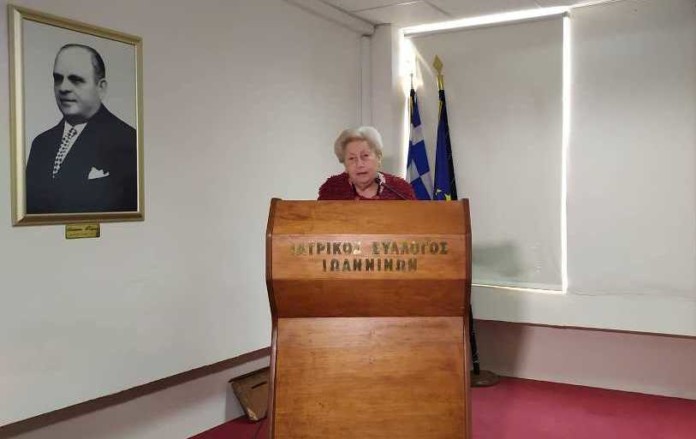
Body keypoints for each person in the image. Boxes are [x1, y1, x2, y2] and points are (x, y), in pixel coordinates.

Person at [25, 44, 137, 214]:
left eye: (76, 79)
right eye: (58, 78)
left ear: (101, 88)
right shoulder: (41, 144)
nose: (63, 88)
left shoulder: (128, 140)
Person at [318, 126, 416, 201]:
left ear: (379, 158)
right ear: (344, 164)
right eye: (352, 158)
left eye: (365, 156)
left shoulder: (400, 189)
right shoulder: (331, 189)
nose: (359, 164)